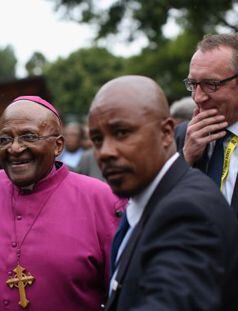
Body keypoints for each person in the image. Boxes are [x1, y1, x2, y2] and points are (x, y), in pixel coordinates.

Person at [0, 96, 125, 311]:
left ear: (58, 145)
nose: (15, 148)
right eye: (4, 139)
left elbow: (121, 288)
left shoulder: (101, 198)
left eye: (28, 137)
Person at [88, 75, 238, 311]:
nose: (105, 152)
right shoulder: (147, 199)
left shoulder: (188, 212)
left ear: (167, 133)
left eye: (122, 133)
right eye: (97, 139)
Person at [175, 33, 238, 213]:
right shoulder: (180, 137)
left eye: (212, 84)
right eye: (193, 84)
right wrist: (185, 158)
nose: (198, 97)